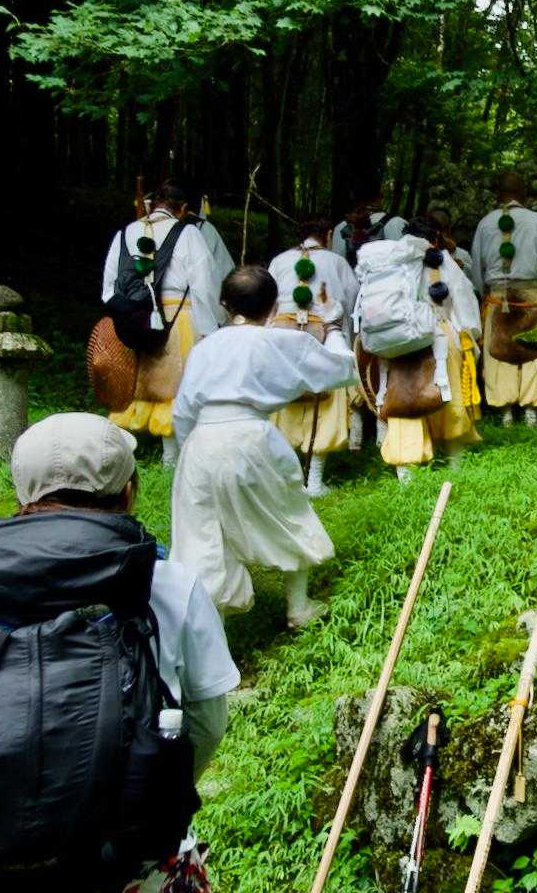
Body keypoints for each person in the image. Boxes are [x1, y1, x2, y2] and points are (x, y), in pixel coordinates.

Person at [0, 412, 239, 893]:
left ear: (23, 494)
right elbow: (208, 724)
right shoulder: (169, 583)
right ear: (128, 493)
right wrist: (145, 794)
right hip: (134, 870)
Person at [170, 265, 356, 625]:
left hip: (200, 441)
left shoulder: (203, 348)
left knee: (202, 532)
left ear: (224, 305)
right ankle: (298, 607)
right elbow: (342, 368)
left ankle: (211, 627)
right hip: (251, 438)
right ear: (273, 306)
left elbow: (182, 412)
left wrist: (187, 452)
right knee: (287, 512)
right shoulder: (278, 341)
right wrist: (333, 327)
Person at [101, 179, 227, 465]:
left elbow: (109, 288)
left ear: (151, 205)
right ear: (182, 209)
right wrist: (211, 327)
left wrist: (127, 315)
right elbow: (204, 284)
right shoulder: (189, 233)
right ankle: (170, 456)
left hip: (133, 320)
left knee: (138, 383)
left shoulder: (125, 233)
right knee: (174, 387)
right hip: (177, 316)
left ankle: (121, 453)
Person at [355, 217, 483, 483]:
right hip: (439, 335)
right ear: (435, 237)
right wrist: (471, 337)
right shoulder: (441, 260)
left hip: (395, 342)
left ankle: (406, 476)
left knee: (404, 402)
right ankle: (454, 465)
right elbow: (463, 299)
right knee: (450, 400)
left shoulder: (387, 262)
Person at [268, 217, 363, 496]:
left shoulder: (279, 261)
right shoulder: (337, 262)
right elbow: (353, 301)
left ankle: (288, 478)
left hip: (281, 334)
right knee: (327, 402)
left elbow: (268, 301)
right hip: (323, 332)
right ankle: (315, 480)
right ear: (329, 234)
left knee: (284, 402)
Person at [470, 172, 537, 427]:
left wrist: (483, 291)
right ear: (524, 195)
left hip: (498, 297)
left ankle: (506, 412)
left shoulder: (485, 223)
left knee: (499, 352)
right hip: (533, 296)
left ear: (498, 195)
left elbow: (477, 264)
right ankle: (532, 410)